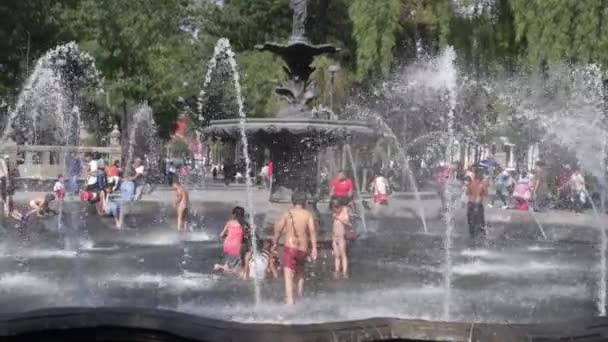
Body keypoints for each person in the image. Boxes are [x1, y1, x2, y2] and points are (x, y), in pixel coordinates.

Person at [272, 192, 318, 304]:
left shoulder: (288, 213)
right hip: (303, 247)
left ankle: (290, 301)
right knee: (300, 272)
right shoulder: (308, 214)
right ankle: (299, 298)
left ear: (293, 201)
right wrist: (314, 248)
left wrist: (275, 242)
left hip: (290, 246)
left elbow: (278, 228)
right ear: (304, 202)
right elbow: (312, 231)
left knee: (288, 275)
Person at [214, 207, 246, 274]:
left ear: (233, 214)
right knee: (236, 267)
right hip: (237, 246)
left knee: (229, 260)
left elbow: (221, 235)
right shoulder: (243, 224)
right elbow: (245, 236)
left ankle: (224, 267)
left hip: (227, 245)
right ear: (243, 215)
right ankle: (219, 267)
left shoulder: (229, 223)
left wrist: (228, 236)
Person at [466, 166, 488, 240]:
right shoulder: (482, 184)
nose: (482, 175)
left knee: (471, 221)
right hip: (477, 204)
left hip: (470, 204)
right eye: (481, 174)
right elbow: (485, 194)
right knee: (480, 221)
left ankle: (472, 236)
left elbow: (468, 193)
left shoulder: (471, 183)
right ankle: (482, 237)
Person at [331, 198, 350, 278]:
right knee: (336, 255)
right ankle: (337, 270)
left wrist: (338, 218)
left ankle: (345, 271)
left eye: (336, 208)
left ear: (340, 207)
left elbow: (347, 222)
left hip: (341, 237)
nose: (335, 210)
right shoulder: (334, 213)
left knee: (343, 254)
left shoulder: (344, 213)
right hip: (335, 237)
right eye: (333, 209)